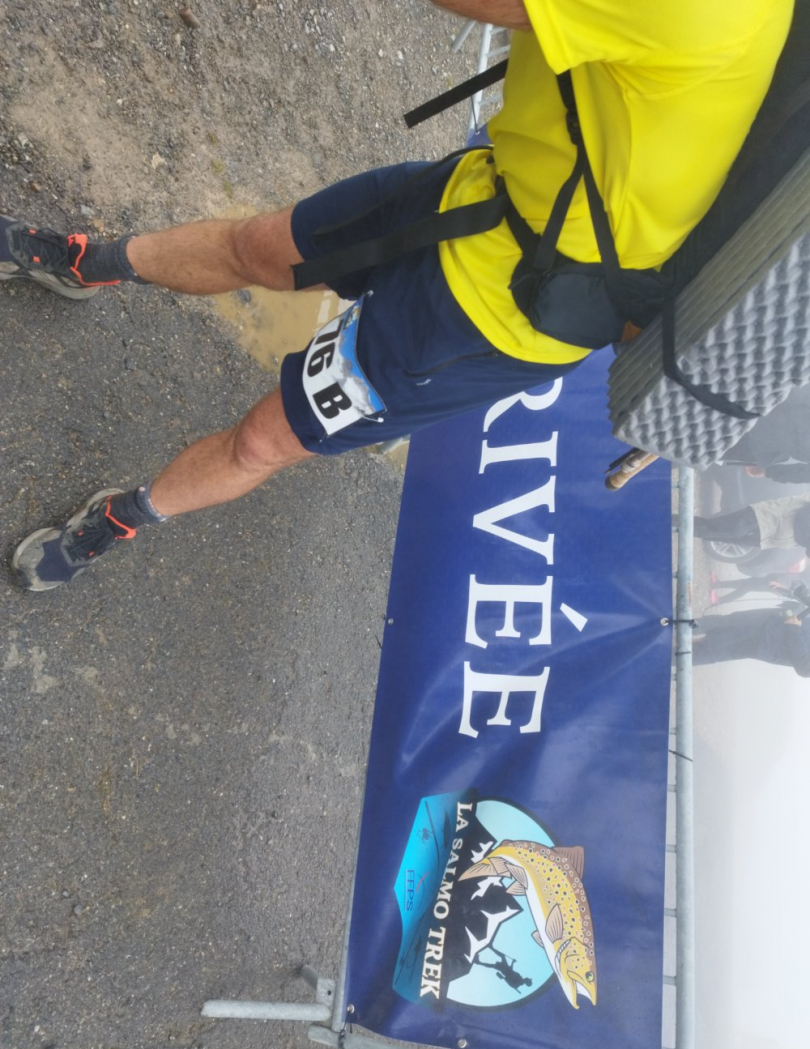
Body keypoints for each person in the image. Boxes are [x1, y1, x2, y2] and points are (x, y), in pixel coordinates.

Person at [1, 0, 793, 591]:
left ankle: (129, 514)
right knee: (259, 248)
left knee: (266, 441)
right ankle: (85, 263)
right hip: (485, 195)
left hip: (497, 318)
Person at [693, 607, 810, 677]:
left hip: (764, 644)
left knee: (713, 651)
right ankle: (684, 626)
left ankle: (682, 653)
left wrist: (794, 629)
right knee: (721, 621)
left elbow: (805, 668)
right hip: (772, 618)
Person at [694, 492, 810, 553]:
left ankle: (686, 526)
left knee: (711, 533)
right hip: (765, 517)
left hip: (765, 539)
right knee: (710, 529)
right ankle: (685, 525)